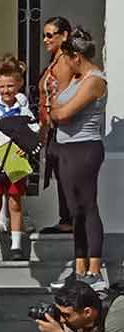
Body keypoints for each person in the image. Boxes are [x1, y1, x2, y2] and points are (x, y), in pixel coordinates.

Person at [49, 28, 108, 292]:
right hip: (66, 148)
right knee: (75, 212)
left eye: (66, 58)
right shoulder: (75, 79)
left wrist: (57, 110)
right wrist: (56, 108)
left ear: (76, 56)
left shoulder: (94, 80)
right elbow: (53, 107)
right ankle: (80, 268)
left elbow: (63, 114)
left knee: (88, 206)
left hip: (84, 148)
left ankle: (95, 270)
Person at [0, 55, 36, 263]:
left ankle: (15, 246)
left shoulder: (23, 110)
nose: (6, 91)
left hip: (15, 157)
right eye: (2, 87)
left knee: (14, 202)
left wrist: (26, 149)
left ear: (19, 84)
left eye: (11, 86)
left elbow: (33, 132)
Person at [38, 16, 75, 235]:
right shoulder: (56, 60)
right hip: (52, 128)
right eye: (44, 35)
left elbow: (62, 96)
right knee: (61, 174)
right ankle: (66, 217)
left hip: (62, 127)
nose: (45, 39)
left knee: (66, 173)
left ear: (64, 36)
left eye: (50, 35)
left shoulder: (65, 61)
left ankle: (69, 219)